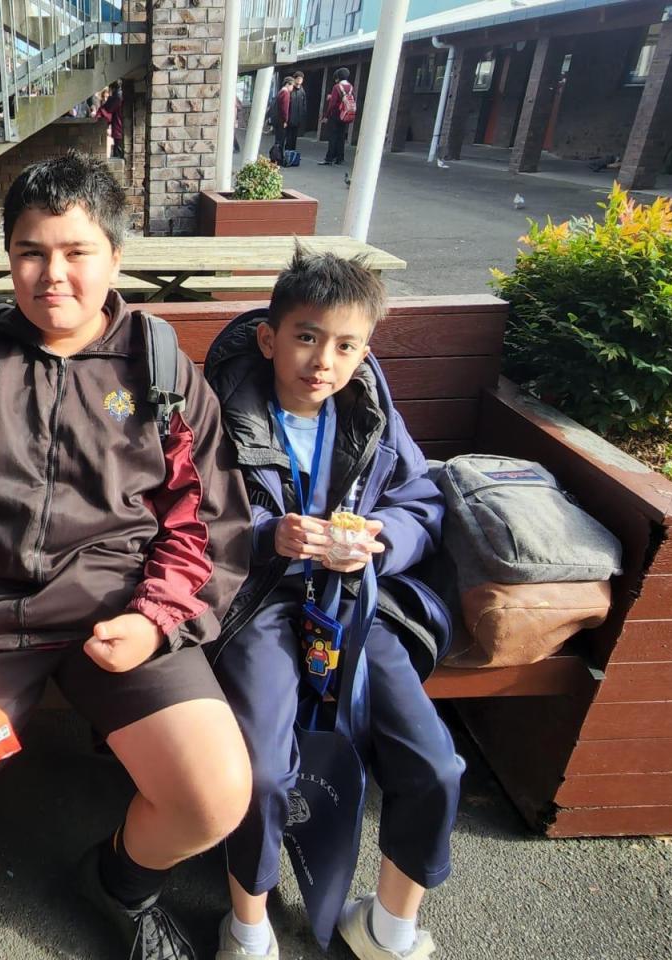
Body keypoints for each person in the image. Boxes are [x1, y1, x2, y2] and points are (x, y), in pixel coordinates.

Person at [0, 152, 254, 960]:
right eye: (31, 253)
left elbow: (205, 521)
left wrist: (155, 621)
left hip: (116, 612)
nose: (53, 275)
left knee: (215, 797)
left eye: (77, 252)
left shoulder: (159, 368)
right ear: (8, 256)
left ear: (115, 255)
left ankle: (119, 879)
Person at [204, 250, 463, 960]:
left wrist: (380, 539)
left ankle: (388, 926)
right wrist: (268, 535)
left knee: (436, 764)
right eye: (307, 337)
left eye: (347, 346)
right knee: (260, 769)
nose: (324, 361)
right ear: (269, 338)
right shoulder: (221, 410)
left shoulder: (372, 415)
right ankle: (249, 926)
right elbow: (191, 515)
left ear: (364, 352)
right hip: (258, 603)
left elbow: (421, 502)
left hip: (353, 604)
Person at [321, 67, 354, 165]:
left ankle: (329, 158)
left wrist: (326, 116)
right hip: (345, 114)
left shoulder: (337, 87)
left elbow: (332, 104)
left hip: (336, 115)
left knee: (333, 136)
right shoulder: (350, 87)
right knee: (341, 136)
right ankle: (340, 157)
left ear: (339, 76)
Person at [96, 79, 125, 158]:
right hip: (120, 126)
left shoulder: (116, 97)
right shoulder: (120, 95)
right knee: (119, 151)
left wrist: (100, 111)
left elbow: (108, 109)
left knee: (118, 153)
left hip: (118, 127)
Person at [272, 76, 293, 160]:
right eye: (292, 85)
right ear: (288, 84)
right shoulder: (285, 93)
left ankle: (275, 157)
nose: (292, 88)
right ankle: (278, 157)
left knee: (277, 139)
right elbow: (285, 108)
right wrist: (285, 120)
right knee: (281, 140)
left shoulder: (280, 92)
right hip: (281, 120)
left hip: (277, 119)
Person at [287, 72, 307, 153]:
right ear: (294, 79)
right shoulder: (290, 90)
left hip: (298, 119)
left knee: (294, 138)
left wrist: (302, 116)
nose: (299, 80)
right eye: (298, 78)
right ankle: (287, 153)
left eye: (301, 79)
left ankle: (292, 154)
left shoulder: (302, 91)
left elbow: (304, 104)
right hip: (289, 118)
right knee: (288, 138)